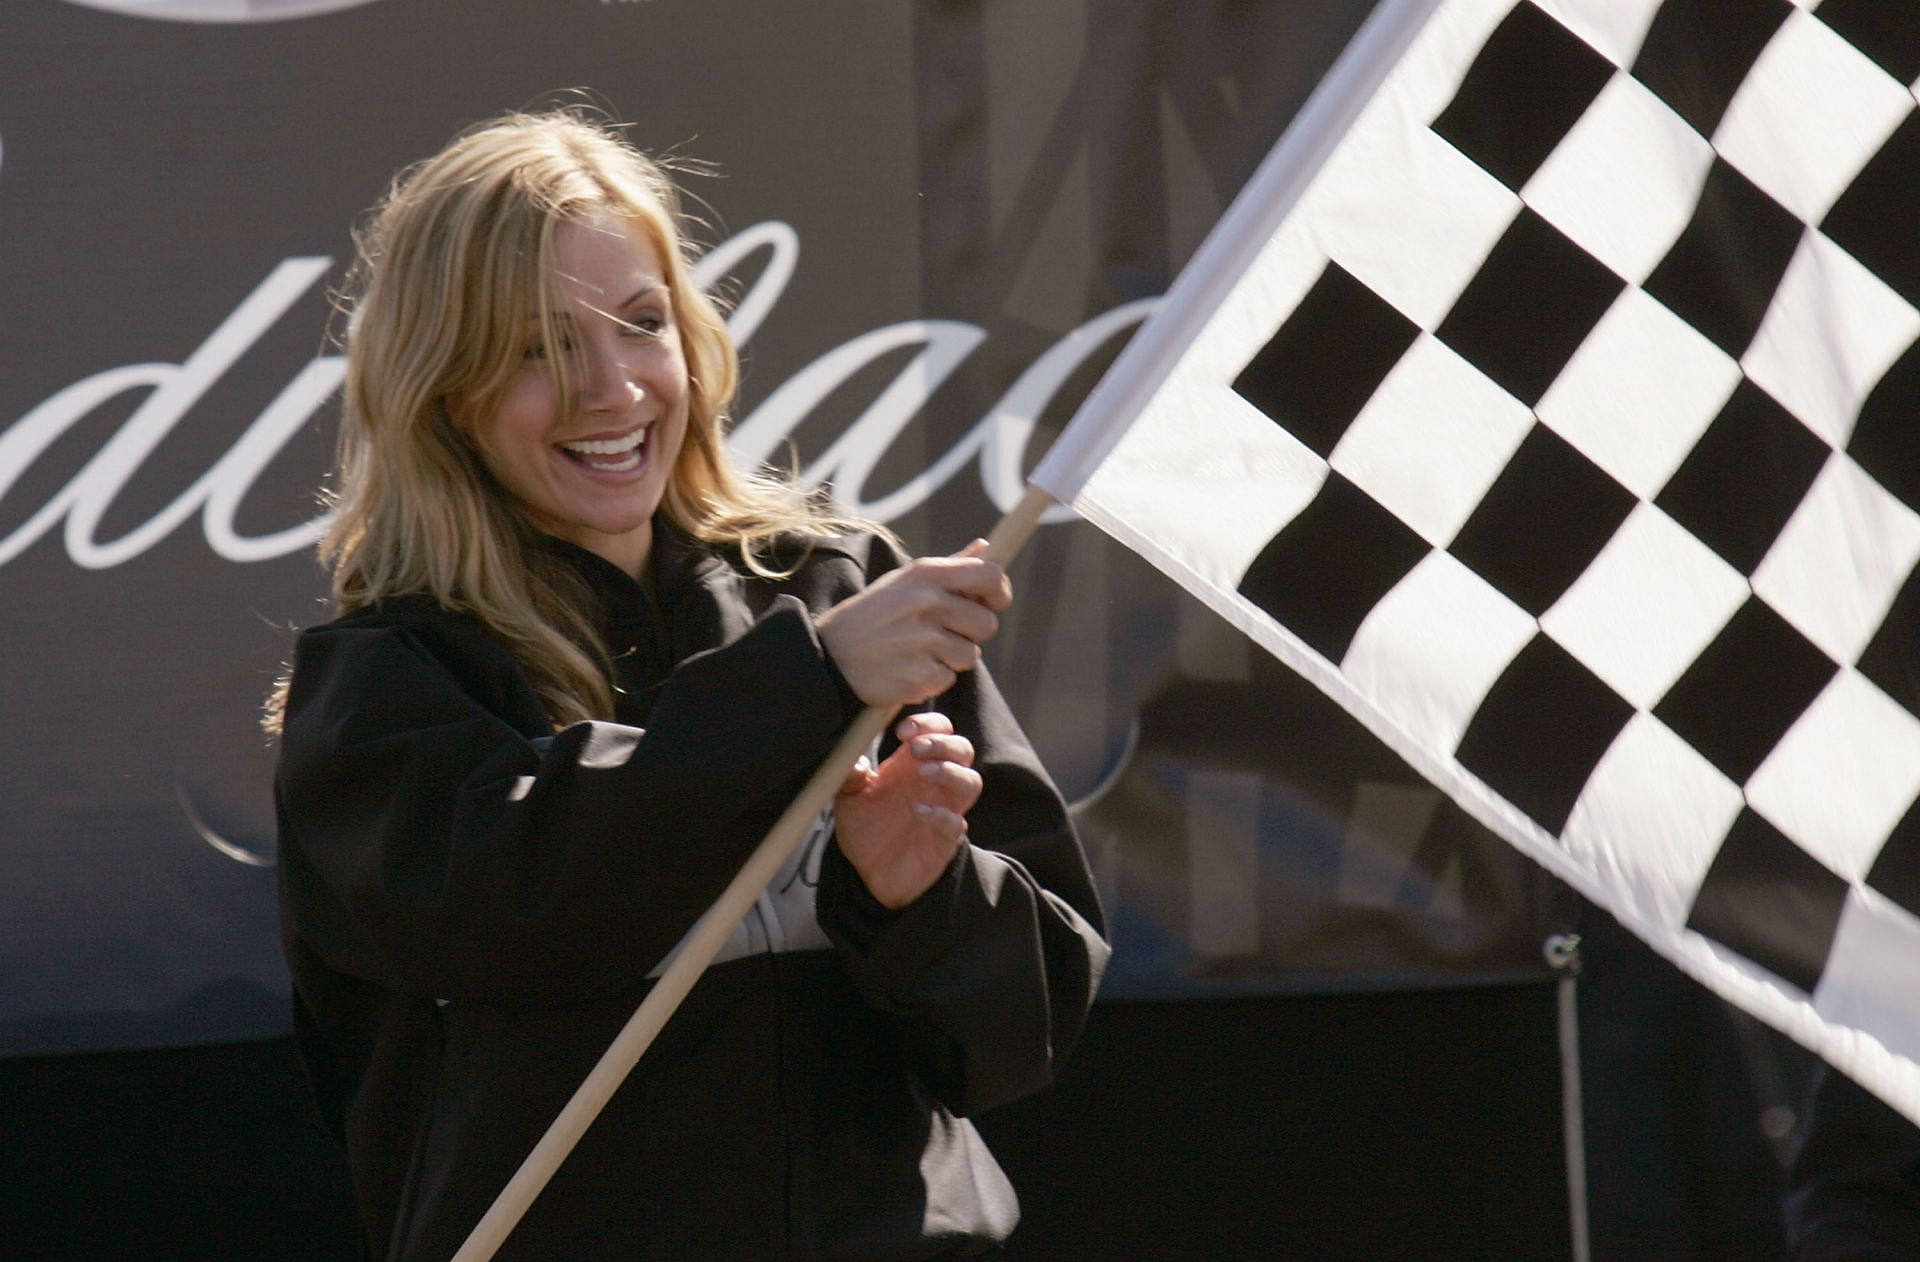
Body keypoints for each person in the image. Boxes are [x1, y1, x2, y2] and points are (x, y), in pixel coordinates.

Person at [268, 110, 1109, 1261]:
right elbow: (525, 908)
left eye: (641, 324)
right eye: (535, 346)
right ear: (438, 386)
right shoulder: (387, 682)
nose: (610, 389)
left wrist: (919, 898)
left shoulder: (835, 585)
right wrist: (803, 685)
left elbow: (1025, 1037)